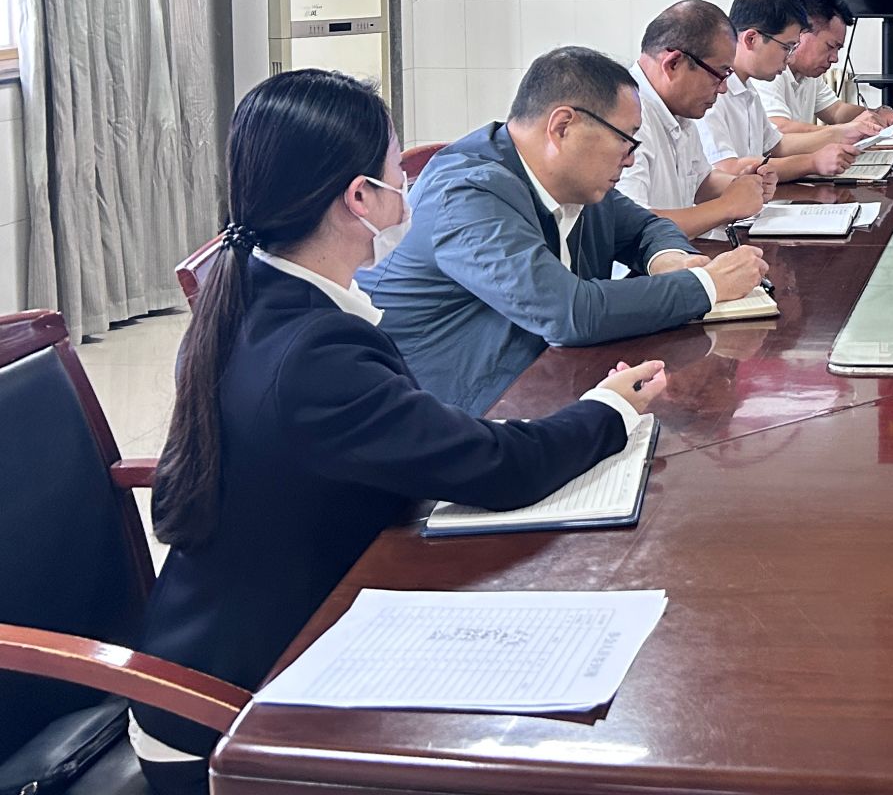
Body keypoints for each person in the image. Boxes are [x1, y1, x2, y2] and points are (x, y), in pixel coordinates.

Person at [130, 70, 670, 793]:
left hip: (283, 624)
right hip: (228, 714)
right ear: (360, 198)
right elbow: (497, 467)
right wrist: (610, 409)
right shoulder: (313, 355)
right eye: (397, 177)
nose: (408, 193)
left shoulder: (265, 294)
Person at [365, 47, 767, 414]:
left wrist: (669, 260)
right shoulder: (467, 193)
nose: (630, 161)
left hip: (540, 390)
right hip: (454, 418)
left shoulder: (575, 182)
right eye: (626, 142)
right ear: (562, 127)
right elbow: (568, 313)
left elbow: (647, 226)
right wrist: (707, 285)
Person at [619, 0, 777, 238]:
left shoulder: (678, 110)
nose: (723, 88)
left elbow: (700, 182)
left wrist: (742, 185)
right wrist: (726, 206)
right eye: (719, 74)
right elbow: (631, 226)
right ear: (673, 64)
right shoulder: (626, 118)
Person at [695, 0, 858, 183]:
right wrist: (812, 162)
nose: (789, 58)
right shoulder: (710, 94)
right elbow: (727, 169)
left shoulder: (748, 89)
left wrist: (844, 135)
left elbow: (776, 145)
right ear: (751, 39)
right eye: (786, 47)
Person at [760, 0, 893, 139]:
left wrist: (879, 113)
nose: (835, 58)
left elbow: (836, 110)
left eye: (838, 49)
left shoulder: (808, 75)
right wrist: (845, 130)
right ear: (802, 33)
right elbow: (778, 128)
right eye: (830, 46)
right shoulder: (769, 70)